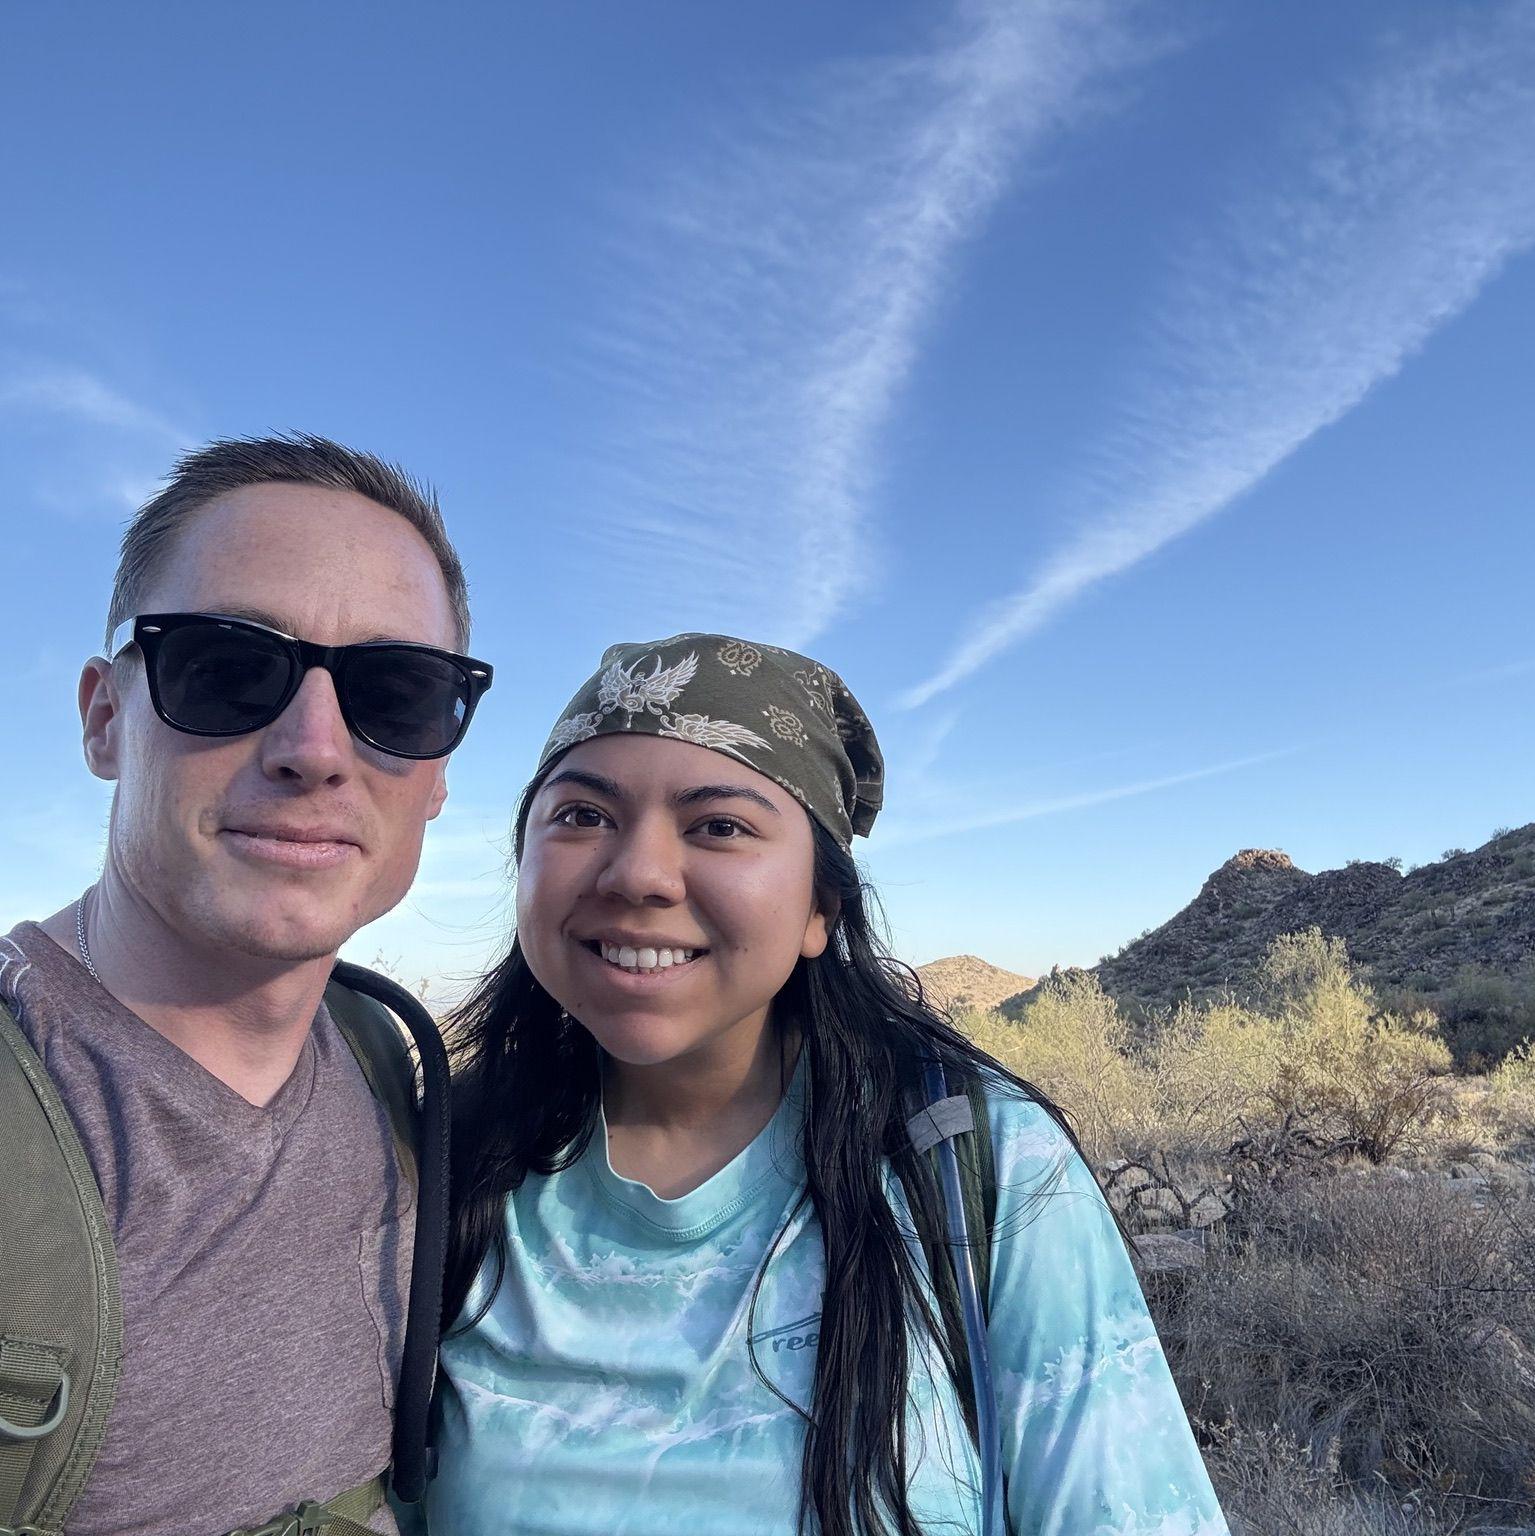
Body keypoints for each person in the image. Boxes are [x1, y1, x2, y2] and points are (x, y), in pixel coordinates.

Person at [428, 634, 1230, 1536]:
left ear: (820, 909)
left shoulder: (975, 1163)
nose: (638, 874)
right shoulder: (434, 1166)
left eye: (719, 826)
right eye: (582, 815)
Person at [0, 435, 492, 1536]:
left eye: (397, 694)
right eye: (226, 669)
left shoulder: (383, 1053)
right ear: (104, 719)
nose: (315, 749)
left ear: (438, 777)